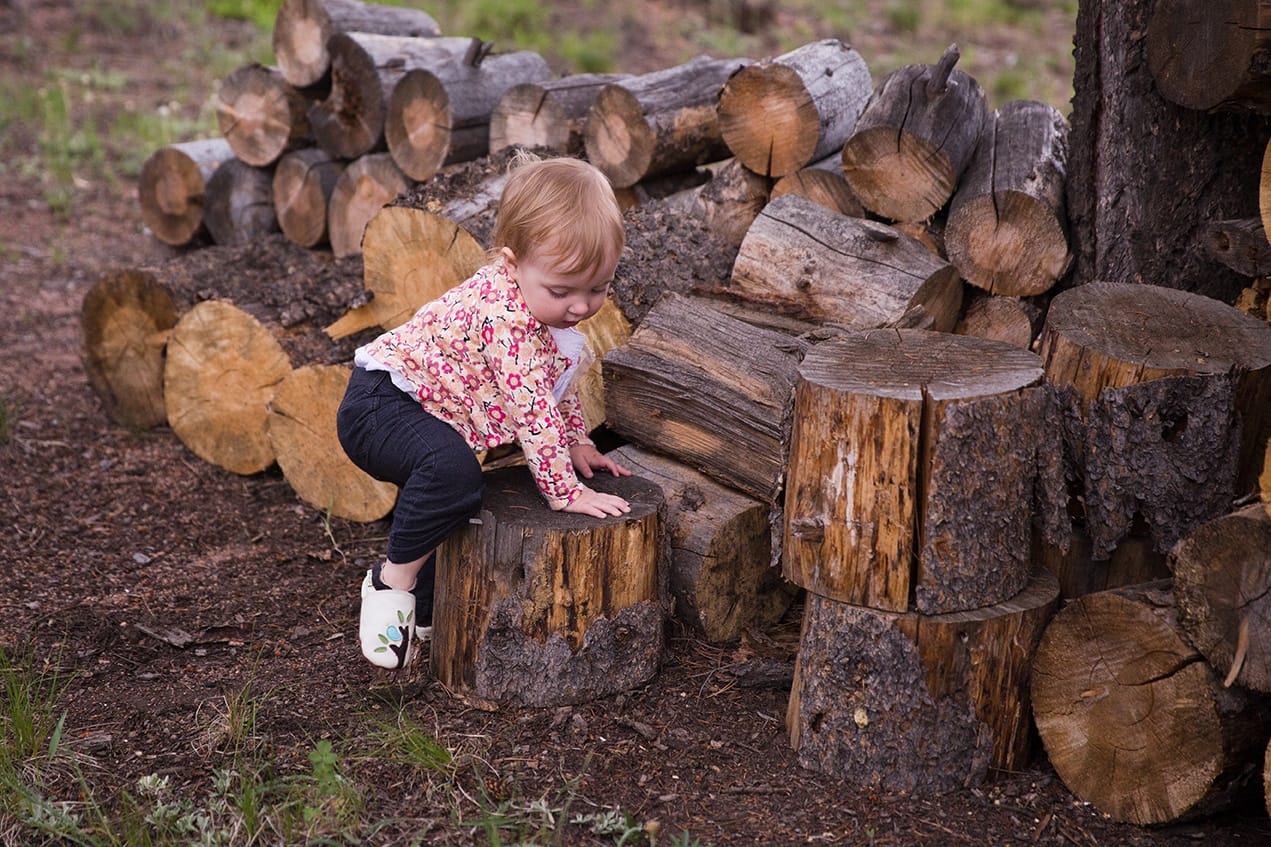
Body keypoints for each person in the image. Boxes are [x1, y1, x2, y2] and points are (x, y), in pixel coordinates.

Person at [337, 152, 632, 669]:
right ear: (513, 263)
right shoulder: (503, 316)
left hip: (416, 412)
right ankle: (390, 583)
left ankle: (427, 613)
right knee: (452, 473)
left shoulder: (545, 312)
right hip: (380, 405)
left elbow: (557, 387)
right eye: (562, 291)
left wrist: (579, 442)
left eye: (599, 288)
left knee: (450, 496)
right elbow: (532, 409)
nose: (582, 306)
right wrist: (564, 492)